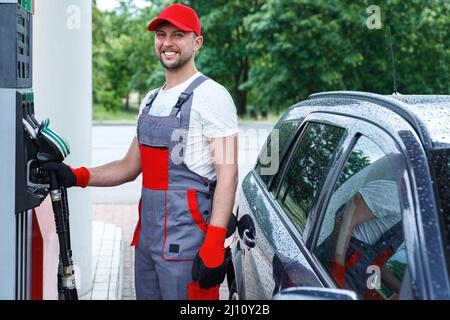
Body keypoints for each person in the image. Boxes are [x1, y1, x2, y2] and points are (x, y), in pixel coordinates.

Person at [42, 3, 239, 300]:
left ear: (197, 42)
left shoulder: (213, 97)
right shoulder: (150, 100)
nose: (168, 43)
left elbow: (228, 172)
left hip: (188, 245)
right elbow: (129, 166)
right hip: (147, 242)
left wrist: (213, 240)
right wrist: (77, 175)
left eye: (178, 35)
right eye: (161, 35)